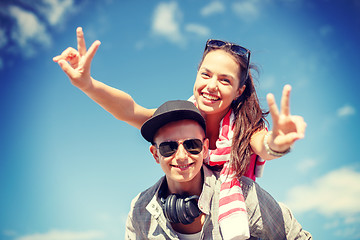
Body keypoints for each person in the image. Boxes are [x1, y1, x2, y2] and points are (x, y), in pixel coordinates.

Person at [54, 27, 307, 238]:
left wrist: (279, 142)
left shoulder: (245, 127)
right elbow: (131, 110)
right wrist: (87, 84)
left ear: (239, 91)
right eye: (205, 74)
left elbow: (264, 144)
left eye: (225, 80)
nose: (211, 86)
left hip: (229, 202)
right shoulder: (178, 118)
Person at [125, 99, 312, 240]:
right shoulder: (140, 210)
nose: (181, 155)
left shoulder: (245, 194)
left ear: (205, 149)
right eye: (169, 147)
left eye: (192, 145)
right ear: (155, 154)